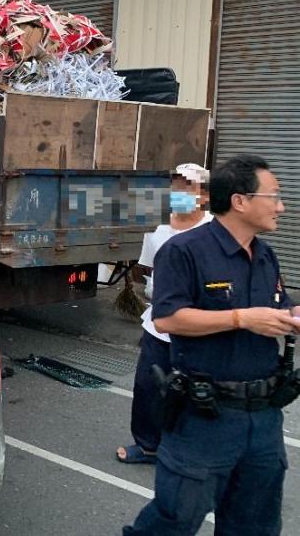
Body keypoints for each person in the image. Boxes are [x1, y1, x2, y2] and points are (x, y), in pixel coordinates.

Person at [123, 154, 299, 535]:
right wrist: (242, 318)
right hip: (205, 417)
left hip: (264, 419)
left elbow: (278, 306)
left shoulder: (264, 254)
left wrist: (291, 316)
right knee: (176, 518)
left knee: (255, 524)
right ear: (240, 201)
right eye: (275, 197)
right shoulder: (185, 250)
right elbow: (167, 318)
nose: (281, 207)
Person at [117, 163, 213, 464]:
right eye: (175, 186)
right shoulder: (156, 226)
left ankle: (191, 447)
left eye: (188, 187)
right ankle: (148, 445)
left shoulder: (215, 231)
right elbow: (149, 268)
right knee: (148, 387)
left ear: (205, 196)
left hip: (199, 324)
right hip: (158, 323)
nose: (179, 193)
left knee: (195, 390)